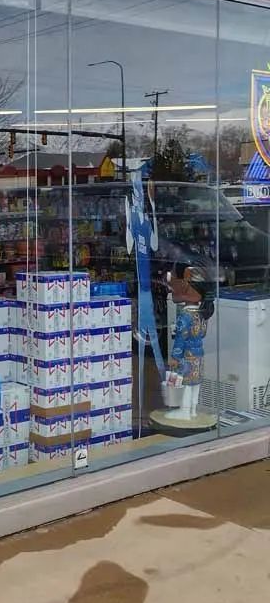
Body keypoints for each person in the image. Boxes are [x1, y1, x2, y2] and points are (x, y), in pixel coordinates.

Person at [125, 172, 165, 423]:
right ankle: (144, 396)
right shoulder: (135, 222)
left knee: (151, 345)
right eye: (137, 195)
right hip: (142, 289)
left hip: (147, 288)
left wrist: (153, 209)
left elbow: (155, 244)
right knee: (146, 346)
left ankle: (160, 389)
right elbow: (129, 246)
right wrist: (128, 217)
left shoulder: (147, 222)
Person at [164, 262, 214, 420]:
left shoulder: (185, 316)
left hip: (186, 356)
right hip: (199, 355)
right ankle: (192, 410)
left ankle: (184, 411)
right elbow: (203, 333)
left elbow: (180, 340)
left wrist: (175, 357)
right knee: (195, 384)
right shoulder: (201, 315)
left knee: (185, 384)